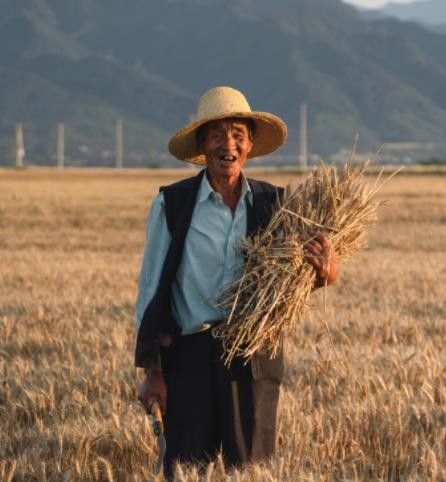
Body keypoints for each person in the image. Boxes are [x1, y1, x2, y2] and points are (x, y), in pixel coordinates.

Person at [135, 86, 338, 476]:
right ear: (202, 145)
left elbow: (296, 280)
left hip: (254, 356)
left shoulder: (276, 207)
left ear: (248, 147)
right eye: (216, 135)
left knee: (252, 470)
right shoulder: (173, 205)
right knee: (186, 468)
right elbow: (151, 290)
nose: (228, 144)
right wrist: (153, 371)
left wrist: (326, 271)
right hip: (189, 357)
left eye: (238, 135)